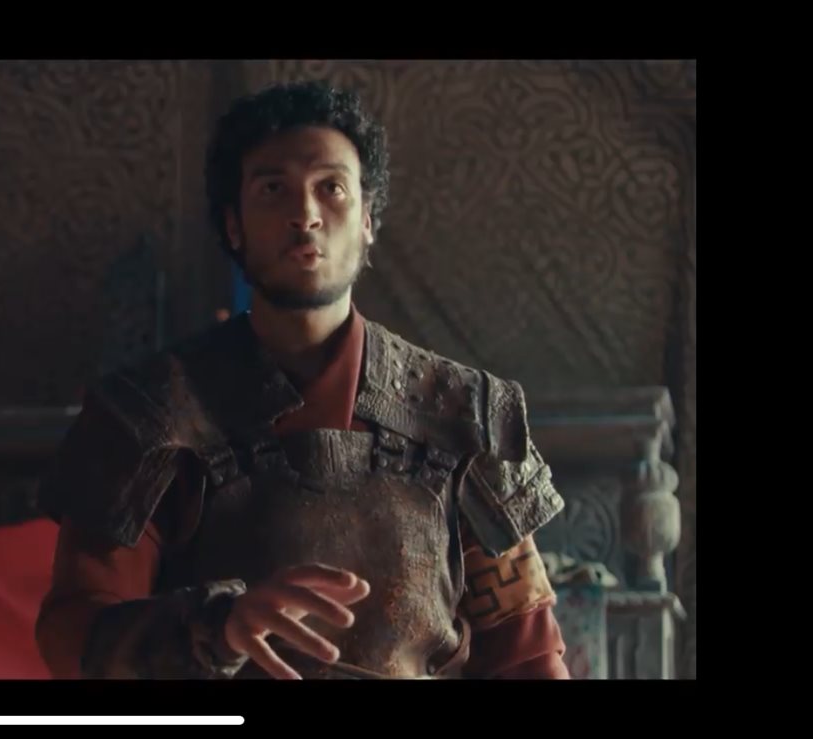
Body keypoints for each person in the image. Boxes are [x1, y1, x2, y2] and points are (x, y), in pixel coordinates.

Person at [34, 82, 571, 680]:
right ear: (233, 225)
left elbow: (527, 655)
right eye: (273, 189)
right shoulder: (151, 415)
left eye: (331, 188)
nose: (306, 214)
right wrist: (216, 627)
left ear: (367, 220)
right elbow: (72, 633)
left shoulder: (460, 414)